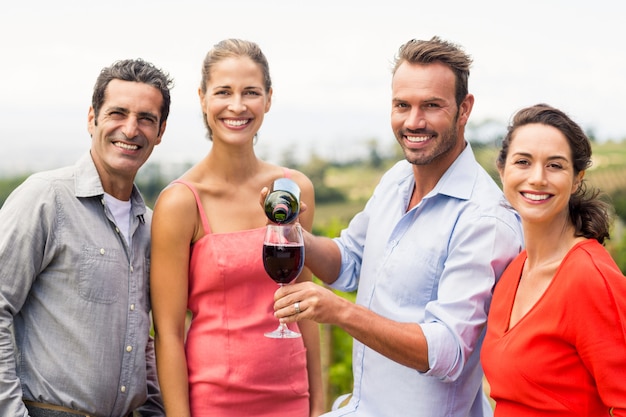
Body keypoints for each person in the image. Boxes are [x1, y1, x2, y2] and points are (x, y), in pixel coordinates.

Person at [271, 36, 524, 416]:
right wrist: (294, 235)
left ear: (464, 109)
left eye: (431, 106)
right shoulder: (397, 179)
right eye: (402, 105)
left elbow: (449, 352)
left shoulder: (486, 220)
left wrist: (339, 312)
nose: (413, 121)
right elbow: (350, 261)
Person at [150, 38, 324, 417]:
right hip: (214, 401)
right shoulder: (180, 203)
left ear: (269, 98)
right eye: (223, 92)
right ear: (202, 97)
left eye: (251, 92)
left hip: (290, 396)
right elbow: (168, 333)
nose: (237, 105)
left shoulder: (292, 190)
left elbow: (305, 307)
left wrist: (318, 407)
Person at [0, 58, 172, 416]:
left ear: (161, 131)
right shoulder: (46, 198)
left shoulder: (152, 227)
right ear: (92, 118)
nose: (130, 129)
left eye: (146, 119)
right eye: (117, 113)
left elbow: (142, 342)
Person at [481, 104, 626, 416]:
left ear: (576, 179)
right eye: (523, 162)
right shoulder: (514, 271)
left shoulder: (589, 277)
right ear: (503, 170)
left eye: (555, 166)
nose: (537, 178)